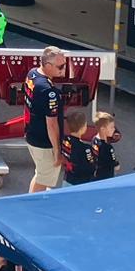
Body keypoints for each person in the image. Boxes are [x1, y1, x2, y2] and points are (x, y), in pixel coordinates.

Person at [24, 48, 66, 193]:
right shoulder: (49, 91)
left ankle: (32, 200)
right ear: (48, 65)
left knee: (40, 175)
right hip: (44, 143)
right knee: (43, 180)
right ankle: (33, 205)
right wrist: (57, 151)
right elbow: (52, 124)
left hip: (32, 134)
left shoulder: (32, 74)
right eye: (60, 66)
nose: (63, 69)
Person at [59, 109, 98, 186]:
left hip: (67, 179)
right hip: (81, 183)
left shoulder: (65, 140)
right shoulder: (85, 148)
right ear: (83, 128)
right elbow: (91, 167)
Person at [91, 113, 119, 180]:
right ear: (103, 129)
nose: (114, 129)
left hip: (96, 174)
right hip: (106, 177)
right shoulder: (108, 148)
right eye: (111, 127)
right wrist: (116, 164)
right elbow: (116, 166)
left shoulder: (94, 139)